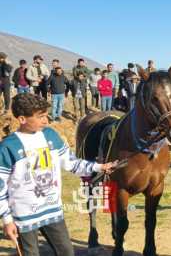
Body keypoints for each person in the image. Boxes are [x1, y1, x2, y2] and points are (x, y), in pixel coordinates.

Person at [0, 93, 117, 256]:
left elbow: (71, 163)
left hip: (52, 211)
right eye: (40, 117)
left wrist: (98, 167)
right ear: (22, 119)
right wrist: (7, 220)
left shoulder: (50, 135)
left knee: (67, 252)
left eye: (46, 115)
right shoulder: (7, 147)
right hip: (24, 216)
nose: (46, 121)